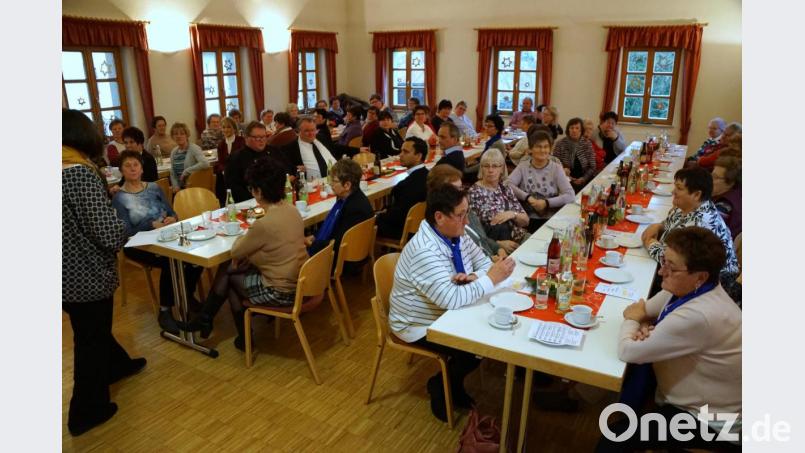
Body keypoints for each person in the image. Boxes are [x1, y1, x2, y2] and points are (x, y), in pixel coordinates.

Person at [598, 226, 741, 452]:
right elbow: (644, 310)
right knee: (636, 375)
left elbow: (628, 348)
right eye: (664, 261)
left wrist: (639, 322)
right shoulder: (692, 288)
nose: (662, 271)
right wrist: (646, 324)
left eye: (671, 267)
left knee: (616, 437)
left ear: (700, 276)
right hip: (696, 394)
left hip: (714, 420)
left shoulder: (700, 314)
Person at [389, 183, 516, 421]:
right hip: (415, 324)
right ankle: (439, 385)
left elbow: (482, 262)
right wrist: (488, 279)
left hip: (445, 310)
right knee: (473, 349)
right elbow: (452, 300)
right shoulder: (424, 250)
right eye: (461, 215)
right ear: (439, 217)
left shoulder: (457, 233)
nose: (467, 221)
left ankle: (452, 383)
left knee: (482, 340)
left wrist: (476, 278)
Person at [62, 109, 144, 436]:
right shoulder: (79, 173)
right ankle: (86, 411)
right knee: (89, 340)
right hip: (85, 275)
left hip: (62, 273)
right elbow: (108, 233)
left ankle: (118, 365)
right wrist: (129, 223)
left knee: (91, 330)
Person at [186, 158, 308, 350]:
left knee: (230, 275)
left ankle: (214, 322)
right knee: (231, 272)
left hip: (283, 291)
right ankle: (217, 324)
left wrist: (245, 242)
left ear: (258, 191)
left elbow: (236, 250)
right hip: (300, 280)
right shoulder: (292, 210)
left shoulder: (264, 224)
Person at [111, 150, 204, 334]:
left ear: (142, 168)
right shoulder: (119, 198)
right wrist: (150, 224)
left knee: (196, 254)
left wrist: (172, 218)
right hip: (137, 244)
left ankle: (186, 293)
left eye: (135, 165)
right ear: (121, 171)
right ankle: (165, 310)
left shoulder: (154, 187)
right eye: (128, 166)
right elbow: (126, 231)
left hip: (165, 235)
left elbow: (172, 212)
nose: (133, 169)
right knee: (170, 260)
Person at [641, 167, 741, 304]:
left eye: (679, 188)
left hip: (707, 288)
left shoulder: (700, 222)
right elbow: (670, 224)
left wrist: (650, 243)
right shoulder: (688, 207)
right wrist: (658, 226)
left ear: (696, 195)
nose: (673, 192)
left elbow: (671, 262)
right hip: (688, 274)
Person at [427, 165, 509, 260]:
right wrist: (491, 260)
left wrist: (498, 249)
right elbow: (464, 262)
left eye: (461, 188)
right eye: (455, 191)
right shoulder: (447, 226)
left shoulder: (467, 212)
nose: (462, 194)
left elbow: (481, 238)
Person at [305, 158, 373, 263]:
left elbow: (338, 243)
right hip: (341, 252)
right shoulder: (347, 198)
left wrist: (313, 244)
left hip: (342, 259)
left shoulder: (355, 209)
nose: (331, 184)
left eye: (334, 181)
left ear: (347, 185)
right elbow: (331, 226)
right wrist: (314, 236)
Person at [508, 130, 575, 231]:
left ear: (550, 149)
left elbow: (570, 195)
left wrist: (546, 203)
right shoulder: (523, 166)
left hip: (551, 219)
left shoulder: (556, 168)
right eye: (538, 146)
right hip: (527, 218)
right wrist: (527, 197)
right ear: (530, 149)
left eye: (546, 146)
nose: (542, 150)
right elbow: (508, 184)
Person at [468, 149, 529, 252]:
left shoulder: (505, 188)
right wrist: (498, 244)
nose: (490, 170)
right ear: (481, 168)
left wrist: (512, 214)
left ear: (502, 169)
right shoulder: (474, 192)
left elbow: (526, 221)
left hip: (520, 238)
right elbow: (474, 231)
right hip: (498, 246)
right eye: (486, 166)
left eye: (495, 166)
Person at [376, 137, 429, 240]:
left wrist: (380, 215)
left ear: (418, 156)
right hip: (420, 227)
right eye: (401, 151)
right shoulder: (427, 175)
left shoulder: (409, 184)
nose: (400, 155)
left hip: (403, 230)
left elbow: (399, 215)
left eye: (405, 152)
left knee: (365, 223)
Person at [226, 121, 272, 202]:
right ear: (246, 138)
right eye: (257, 137)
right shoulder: (236, 158)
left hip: (275, 198)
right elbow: (234, 187)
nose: (261, 140)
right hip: (249, 202)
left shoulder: (273, 151)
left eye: (264, 137)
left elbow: (288, 170)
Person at [552, 117, 596, 191]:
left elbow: (592, 166)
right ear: (568, 130)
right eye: (572, 128)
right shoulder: (560, 143)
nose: (574, 130)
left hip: (583, 180)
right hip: (564, 179)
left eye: (577, 128)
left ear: (581, 130)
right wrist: (568, 177)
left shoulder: (587, 144)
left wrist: (583, 179)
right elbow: (554, 164)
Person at [168, 122, 209, 193]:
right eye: (176, 134)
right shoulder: (173, 152)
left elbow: (205, 163)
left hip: (194, 187)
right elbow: (173, 172)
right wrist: (175, 186)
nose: (179, 136)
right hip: (180, 189)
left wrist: (187, 171)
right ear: (172, 137)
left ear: (187, 135)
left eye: (182, 133)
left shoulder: (194, 148)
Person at [215, 117, 245, 204]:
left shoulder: (241, 141)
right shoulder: (221, 144)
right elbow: (220, 162)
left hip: (239, 172)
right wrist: (224, 170)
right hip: (226, 174)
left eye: (228, 127)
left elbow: (242, 159)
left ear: (234, 129)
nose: (226, 130)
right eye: (223, 127)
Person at [711, 155, 742, 239]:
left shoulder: (724, 206)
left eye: (715, 177)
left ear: (730, 182)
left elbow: (706, 233)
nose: (710, 179)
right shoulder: (737, 194)